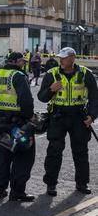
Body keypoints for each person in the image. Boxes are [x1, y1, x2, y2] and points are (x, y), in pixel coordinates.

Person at [38, 47, 98, 196]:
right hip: (58, 116)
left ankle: (82, 183)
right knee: (54, 151)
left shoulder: (85, 74)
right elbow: (41, 97)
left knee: (81, 152)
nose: (61, 60)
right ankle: (51, 184)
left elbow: (95, 97)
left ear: (72, 58)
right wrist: (51, 89)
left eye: (64, 58)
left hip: (79, 116)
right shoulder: (52, 74)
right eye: (60, 57)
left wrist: (92, 116)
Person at [0, 52, 36, 202]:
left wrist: (0, 113)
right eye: (21, 61)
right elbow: (26, 102)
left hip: (1, 124)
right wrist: (28, 117)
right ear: (15, 61)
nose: (23, 63)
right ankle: (17, 191)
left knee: (2, 155)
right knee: (24, 155)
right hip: (19, 125)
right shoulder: (18, 76)